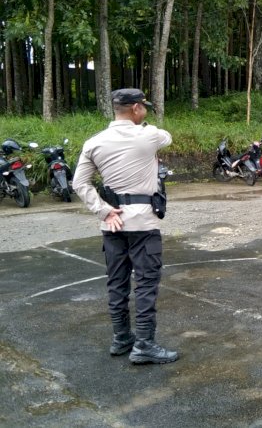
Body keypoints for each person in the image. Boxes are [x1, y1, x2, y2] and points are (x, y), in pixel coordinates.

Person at [72, 88, 178, 364]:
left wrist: (104, 211)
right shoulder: (149, 134)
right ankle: (144, 344)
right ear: (135, 109)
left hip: (113, 223)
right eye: (144, 106)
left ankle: (121, 338)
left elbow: (79, 183)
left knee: (117, 283)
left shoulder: (94, 142)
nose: (145, 110)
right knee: (145, 283)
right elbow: (167, 137)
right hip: (143, 221)